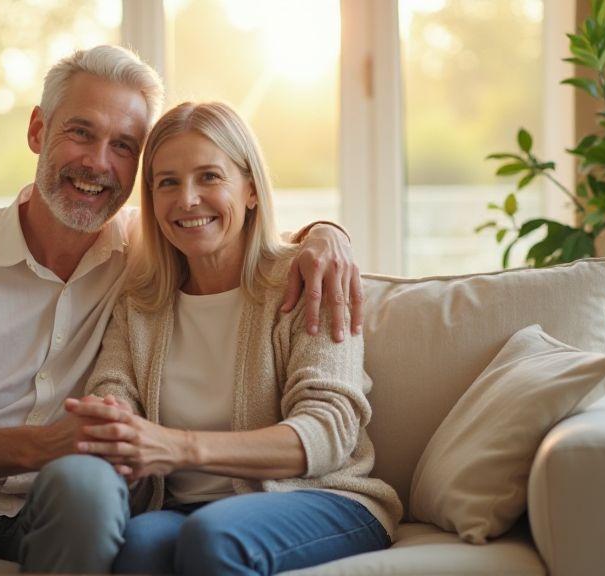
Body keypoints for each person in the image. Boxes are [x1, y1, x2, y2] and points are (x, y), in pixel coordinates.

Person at [0, 46, 364, 574]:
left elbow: (231, 231)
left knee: (88, 484)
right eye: (81, 132)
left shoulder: (146, 255)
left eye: (123, 146)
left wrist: (327, 234)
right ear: (38, 131)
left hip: (75, 496)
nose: (97, 162)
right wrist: (39, 445)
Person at [68, 101, 402, 576]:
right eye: (168, 182)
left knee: (215, 536)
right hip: (186, 509)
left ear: (249, 190)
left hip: (323, 498)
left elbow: (329, 431)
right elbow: (113, 390)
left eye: (209, 177)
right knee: (137, 545)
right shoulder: (140, 303)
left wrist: (180, 446)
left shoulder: (308, 278)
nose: (187, 199)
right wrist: (113, 420)